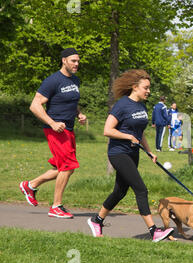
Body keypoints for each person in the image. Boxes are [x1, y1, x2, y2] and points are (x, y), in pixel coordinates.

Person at [87, 69, 173, 242]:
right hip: (118, 153)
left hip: (134, 153)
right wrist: (127, 136)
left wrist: (149, 151)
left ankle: (97, 220)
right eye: (145, 88)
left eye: (149, 88)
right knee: (141, 189)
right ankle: (153, 230)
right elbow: (107, 130)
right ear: (135, 87)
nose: (148, 91)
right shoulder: (122, 105)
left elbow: (139, 133)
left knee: (120, 191)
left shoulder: (141, 106)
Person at [19, 48, 86, 219]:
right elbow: (34, 105)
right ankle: (56, 206)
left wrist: (79, 114)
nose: (76, 64)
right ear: (64, 60)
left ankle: (31, 185)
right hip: (55, 130)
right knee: (68, 166)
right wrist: (52, 123)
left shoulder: (75, 80)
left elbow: (71, 101)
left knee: (63, 168)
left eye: (78, 61)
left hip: (69, 129)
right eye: (73, 61)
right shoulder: (53, 81)